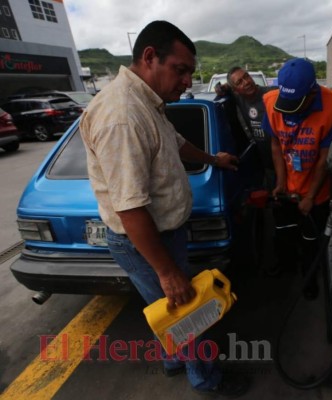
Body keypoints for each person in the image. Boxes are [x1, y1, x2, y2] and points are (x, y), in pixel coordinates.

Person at [79, 20, 248, 397]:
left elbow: (176, 142)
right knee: (186, 311)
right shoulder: (122, 115)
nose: (188, 80)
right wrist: (168, 271)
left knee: (169, 309)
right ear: (150, 57)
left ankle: (175, 360)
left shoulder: (146, 101)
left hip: (162, 236)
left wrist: (212, 159)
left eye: (189, 72)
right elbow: (131, 208)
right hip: (146, 241)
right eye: (181, 70)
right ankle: (207, 379)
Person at [262, 58, 332, 300]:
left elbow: (325, 158)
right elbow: (275, 144)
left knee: (311, 240)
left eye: (296, 104)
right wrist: (280, 182)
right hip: (286, 187)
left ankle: (309, 277)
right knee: (284, 232)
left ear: (312, 92)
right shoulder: (270, 102)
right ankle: (286, 266)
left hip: (316, 193)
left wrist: (311, 196)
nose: (291, 110)